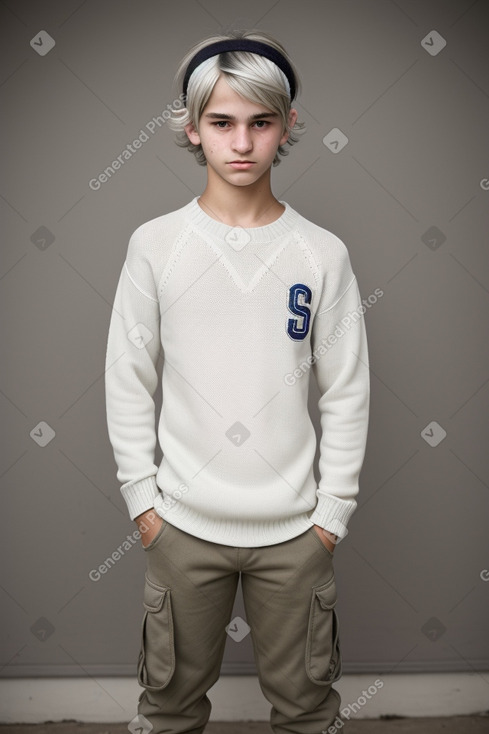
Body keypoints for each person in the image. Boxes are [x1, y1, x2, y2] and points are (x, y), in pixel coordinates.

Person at [105, 28, 370, 734]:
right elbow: (128, 377)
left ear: (287, 126)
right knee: (166, 707)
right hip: (181, 526)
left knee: (309, 709)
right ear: (192, 129)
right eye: (221, 123)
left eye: (260, 122)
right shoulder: (154, 245)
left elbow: (346, 390)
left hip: (297, 534)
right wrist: (143, 504)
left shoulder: (321, 253)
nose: (242, 143)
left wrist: (330, 516)